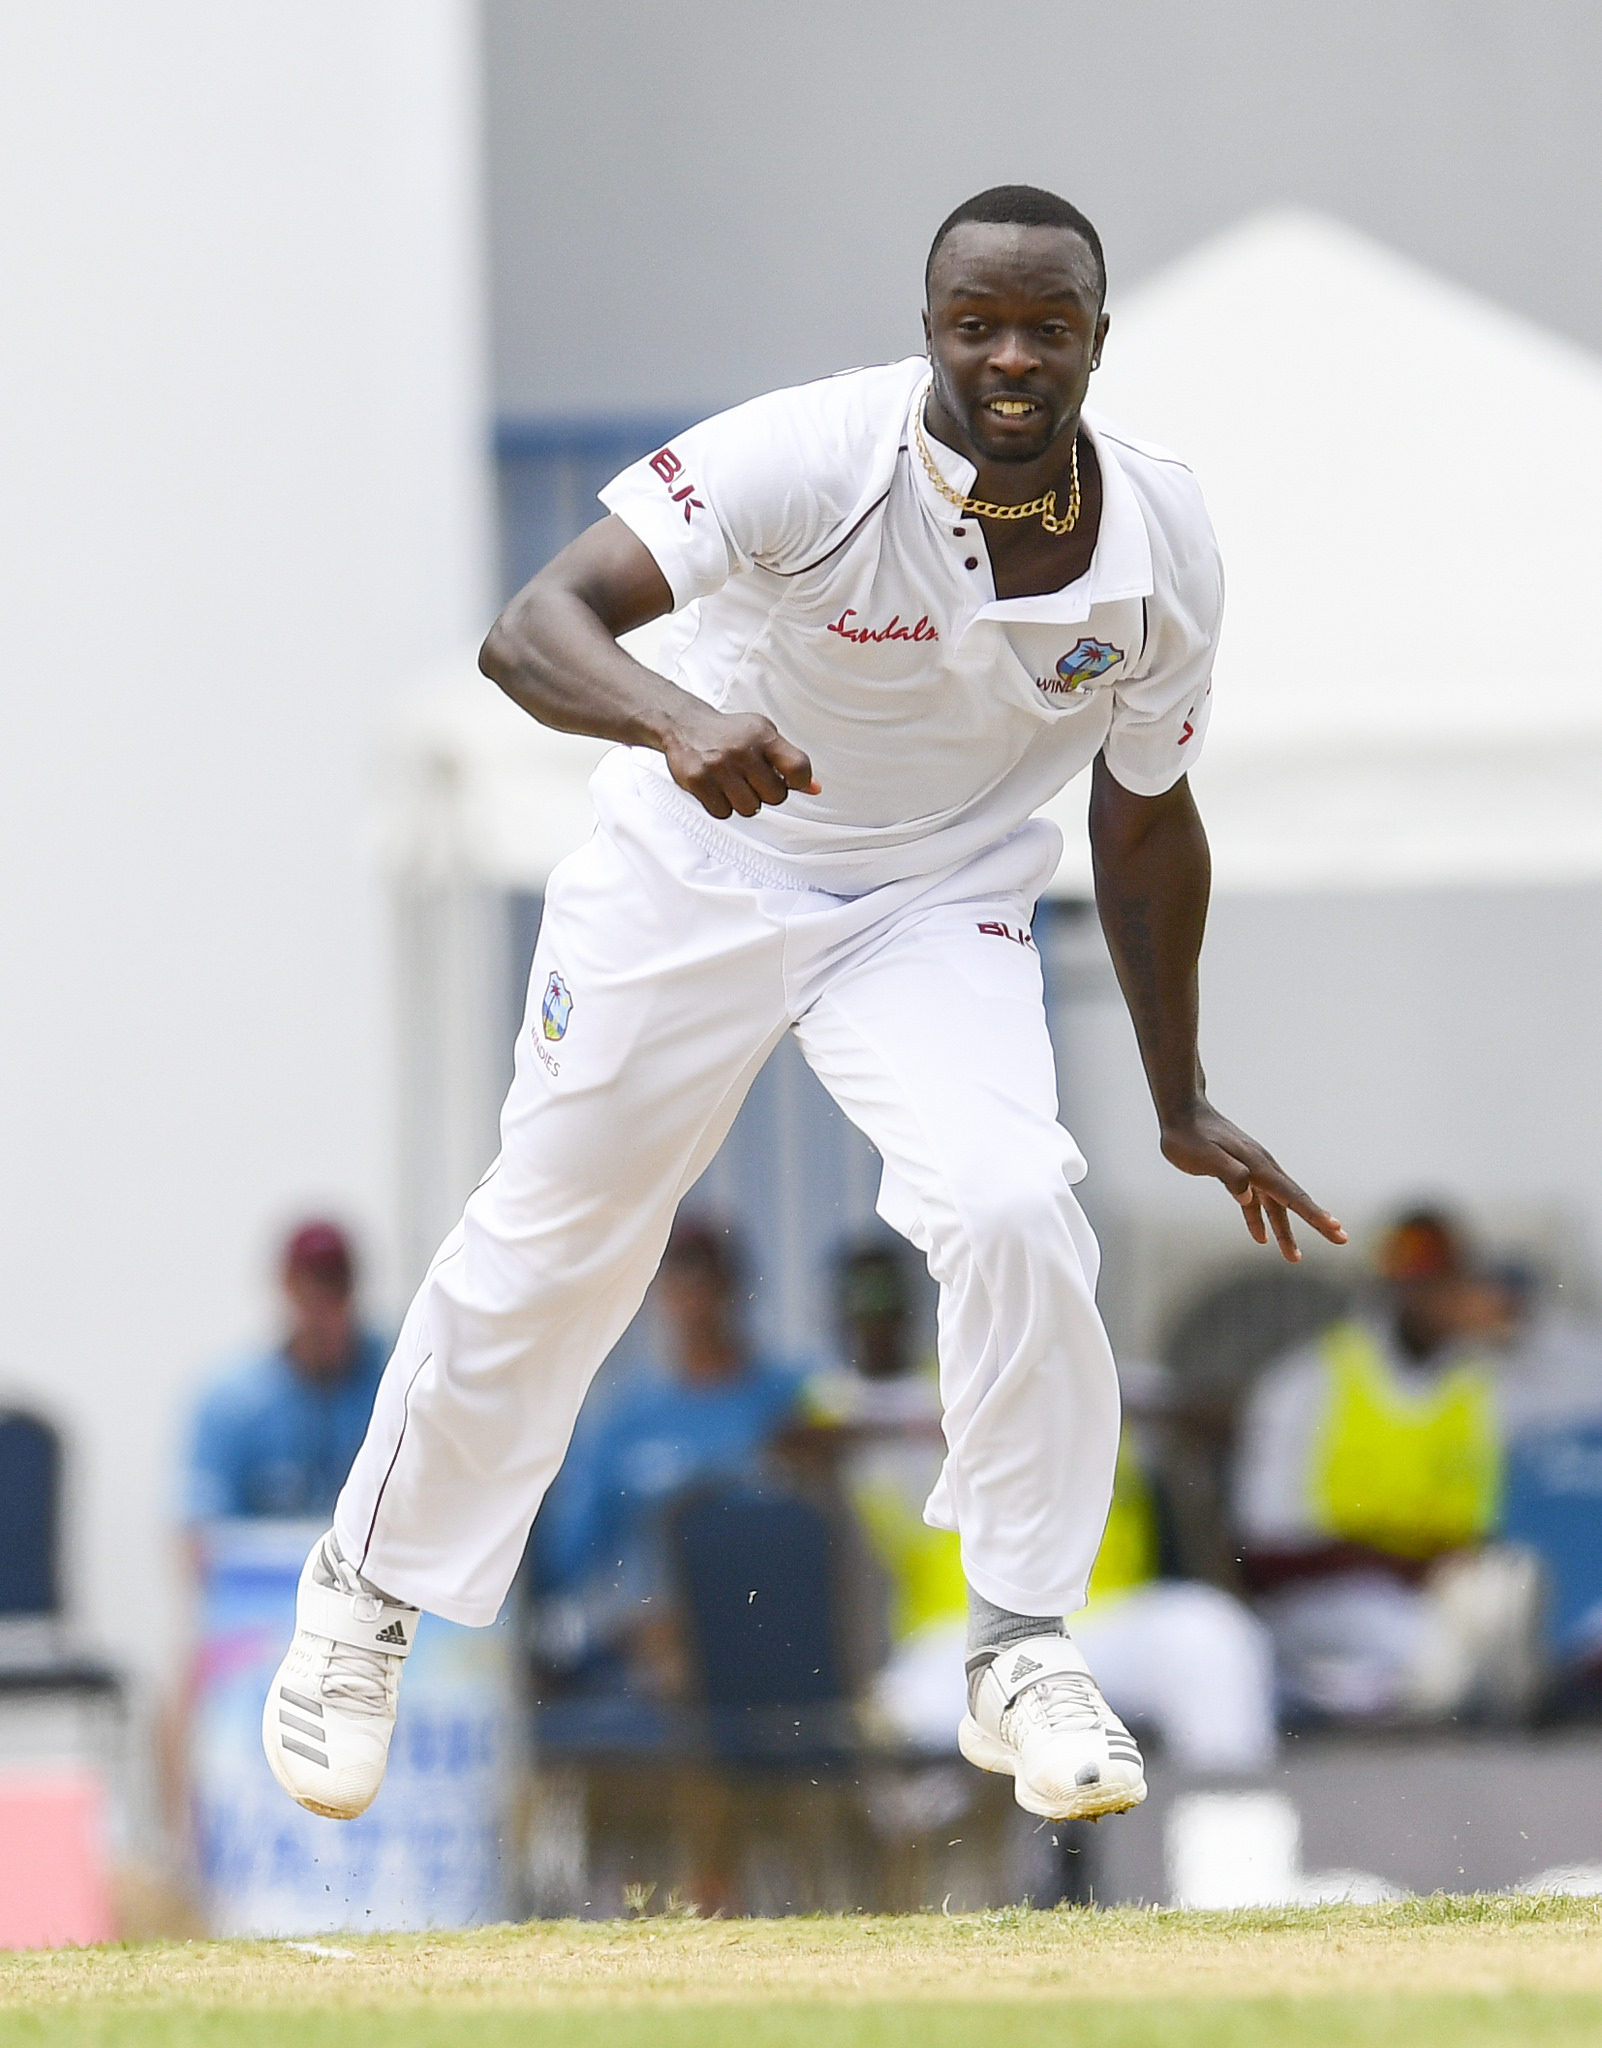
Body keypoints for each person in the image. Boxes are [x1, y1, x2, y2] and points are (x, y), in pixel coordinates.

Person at [263, 183, 1344, 1828]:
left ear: (1094, 341)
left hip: (933, 898)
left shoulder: (1160, 537)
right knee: (560, 1236)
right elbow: (531, 628)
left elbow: (1143, 813)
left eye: (1044, 327)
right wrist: (674, 721)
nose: (1008, 355)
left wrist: (1177, 1093)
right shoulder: (809, 456)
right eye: (975, 323)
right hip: (694, 866)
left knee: (1012, 1204)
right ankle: (364, 1594)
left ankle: (1017, 1642)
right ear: (929, 332)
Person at [810, 1241, 1276, 1773]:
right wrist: (942, 1424)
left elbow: (1226, 1419)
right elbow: (797, 1442)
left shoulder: (1105, 1379)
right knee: (913, 1711)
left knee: (1213, 1636)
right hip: (964, 1639)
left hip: (1104, 1622)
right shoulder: (901, 1397)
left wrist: (1103, 1404)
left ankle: (1226, 1814)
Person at [1233, 1209, 1540, 1721]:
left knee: (1504, 1613)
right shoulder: (1308, 1380)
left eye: (1446, 1284)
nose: (1435, 1300)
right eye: (1421, 1287)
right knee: (1429, 1656)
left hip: (1440, 1594)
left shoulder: (1486, 1385)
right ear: (1389, 1290)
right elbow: (1262, 1549)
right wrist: (1396, 1562)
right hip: (1326, 1598)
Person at [530, 1216, 805, 1695]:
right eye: (682, 1282)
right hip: (654, 1661)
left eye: (707, 1283)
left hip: (772, 1641)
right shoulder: (626, 1423)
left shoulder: (790, 1406)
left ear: (735, 1290)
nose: (696, 1303)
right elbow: (571, 1564)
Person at [185, 1221, 387, 1525]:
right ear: (286, 1287)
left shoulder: (392, 1387)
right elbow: (198, 1530)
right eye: (308, 1290)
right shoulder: (234, 1405)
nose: (320, 1308)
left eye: (333, 1289)